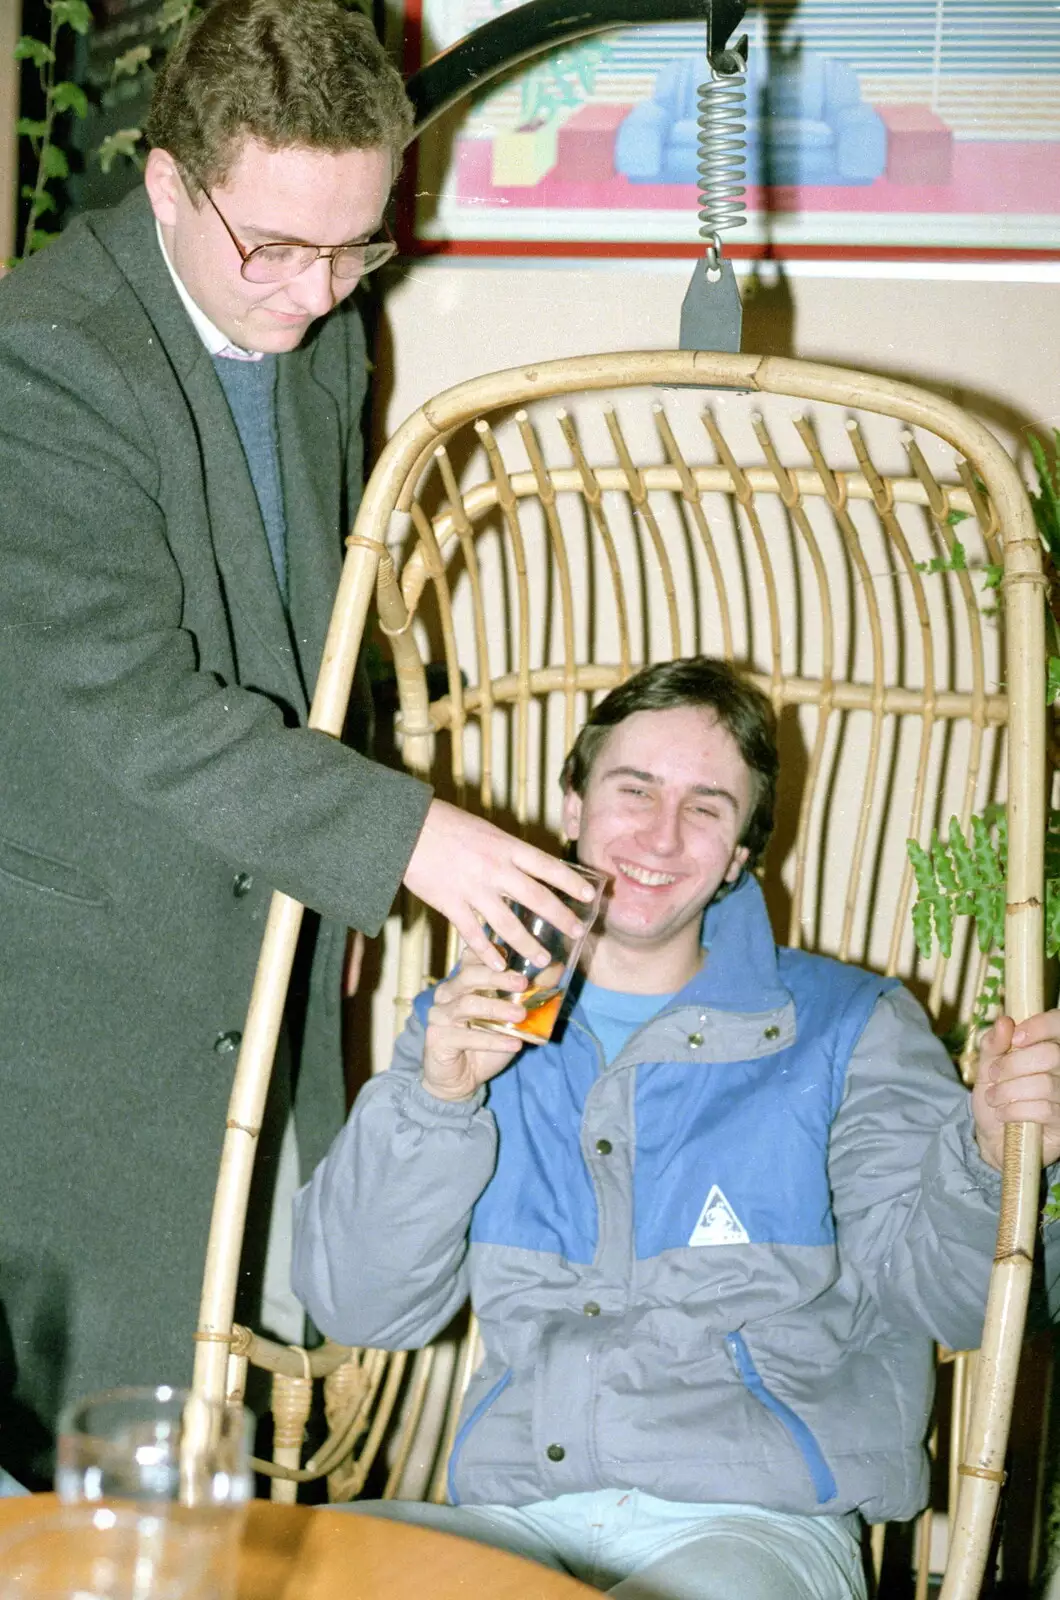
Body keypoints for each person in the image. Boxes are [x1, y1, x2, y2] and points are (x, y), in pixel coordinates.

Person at [0, 0, 592, 1486]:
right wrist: (407, 838)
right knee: (71, 1444)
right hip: (75, 1019)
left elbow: (312, 630)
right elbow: (138, 701)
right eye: (274, 245)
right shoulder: (39, 365)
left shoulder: (321, 326)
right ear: (162, 183)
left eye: (356, 247)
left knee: (210, 1431)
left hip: (254, 965)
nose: (314, 294)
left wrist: (328, 878)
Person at [292, 657, 1060, 1600]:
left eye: (707, 806)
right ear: (572, 804)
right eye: (634, 788)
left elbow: (951, 1302)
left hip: (758, 1525)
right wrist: (438, 1099)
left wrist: (987, 1155)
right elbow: (358, 1308)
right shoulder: (472, 1020)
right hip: (514, 1516)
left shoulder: (851, 1025)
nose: (661, 834)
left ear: (738, 853)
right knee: (276, 1573)